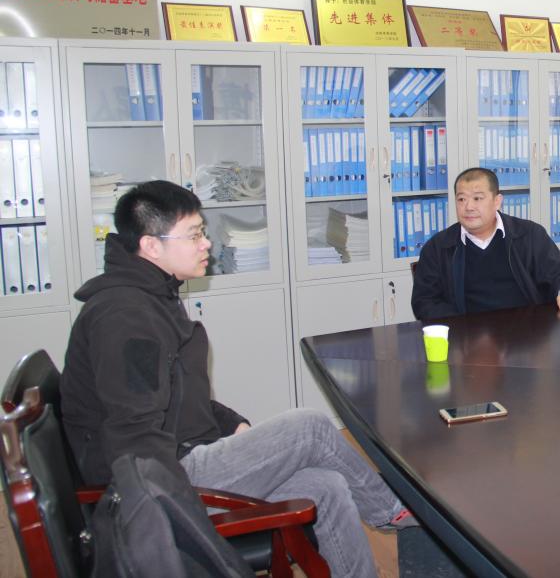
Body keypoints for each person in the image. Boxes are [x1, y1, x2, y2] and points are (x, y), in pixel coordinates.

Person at [60, 181, 415, 578]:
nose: (206, 244)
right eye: (194, 234)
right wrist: (183, 509)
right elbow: (134, 438)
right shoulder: (126, 317)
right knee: (311, 427)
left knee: (328, 486)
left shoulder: (153, 294)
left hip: (181, 457)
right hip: (163, 484)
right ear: (151, 246)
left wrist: (231, 424)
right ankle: (396, 512)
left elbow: (178, 394)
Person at [412, 167, 560, 320]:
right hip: (467, 340)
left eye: (477, 198)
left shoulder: (529, 235)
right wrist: (467, 326)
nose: (468, 207)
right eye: (461, 199)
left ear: (497, 201)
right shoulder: (438, 247)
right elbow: (424, 302)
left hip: (527, 337)